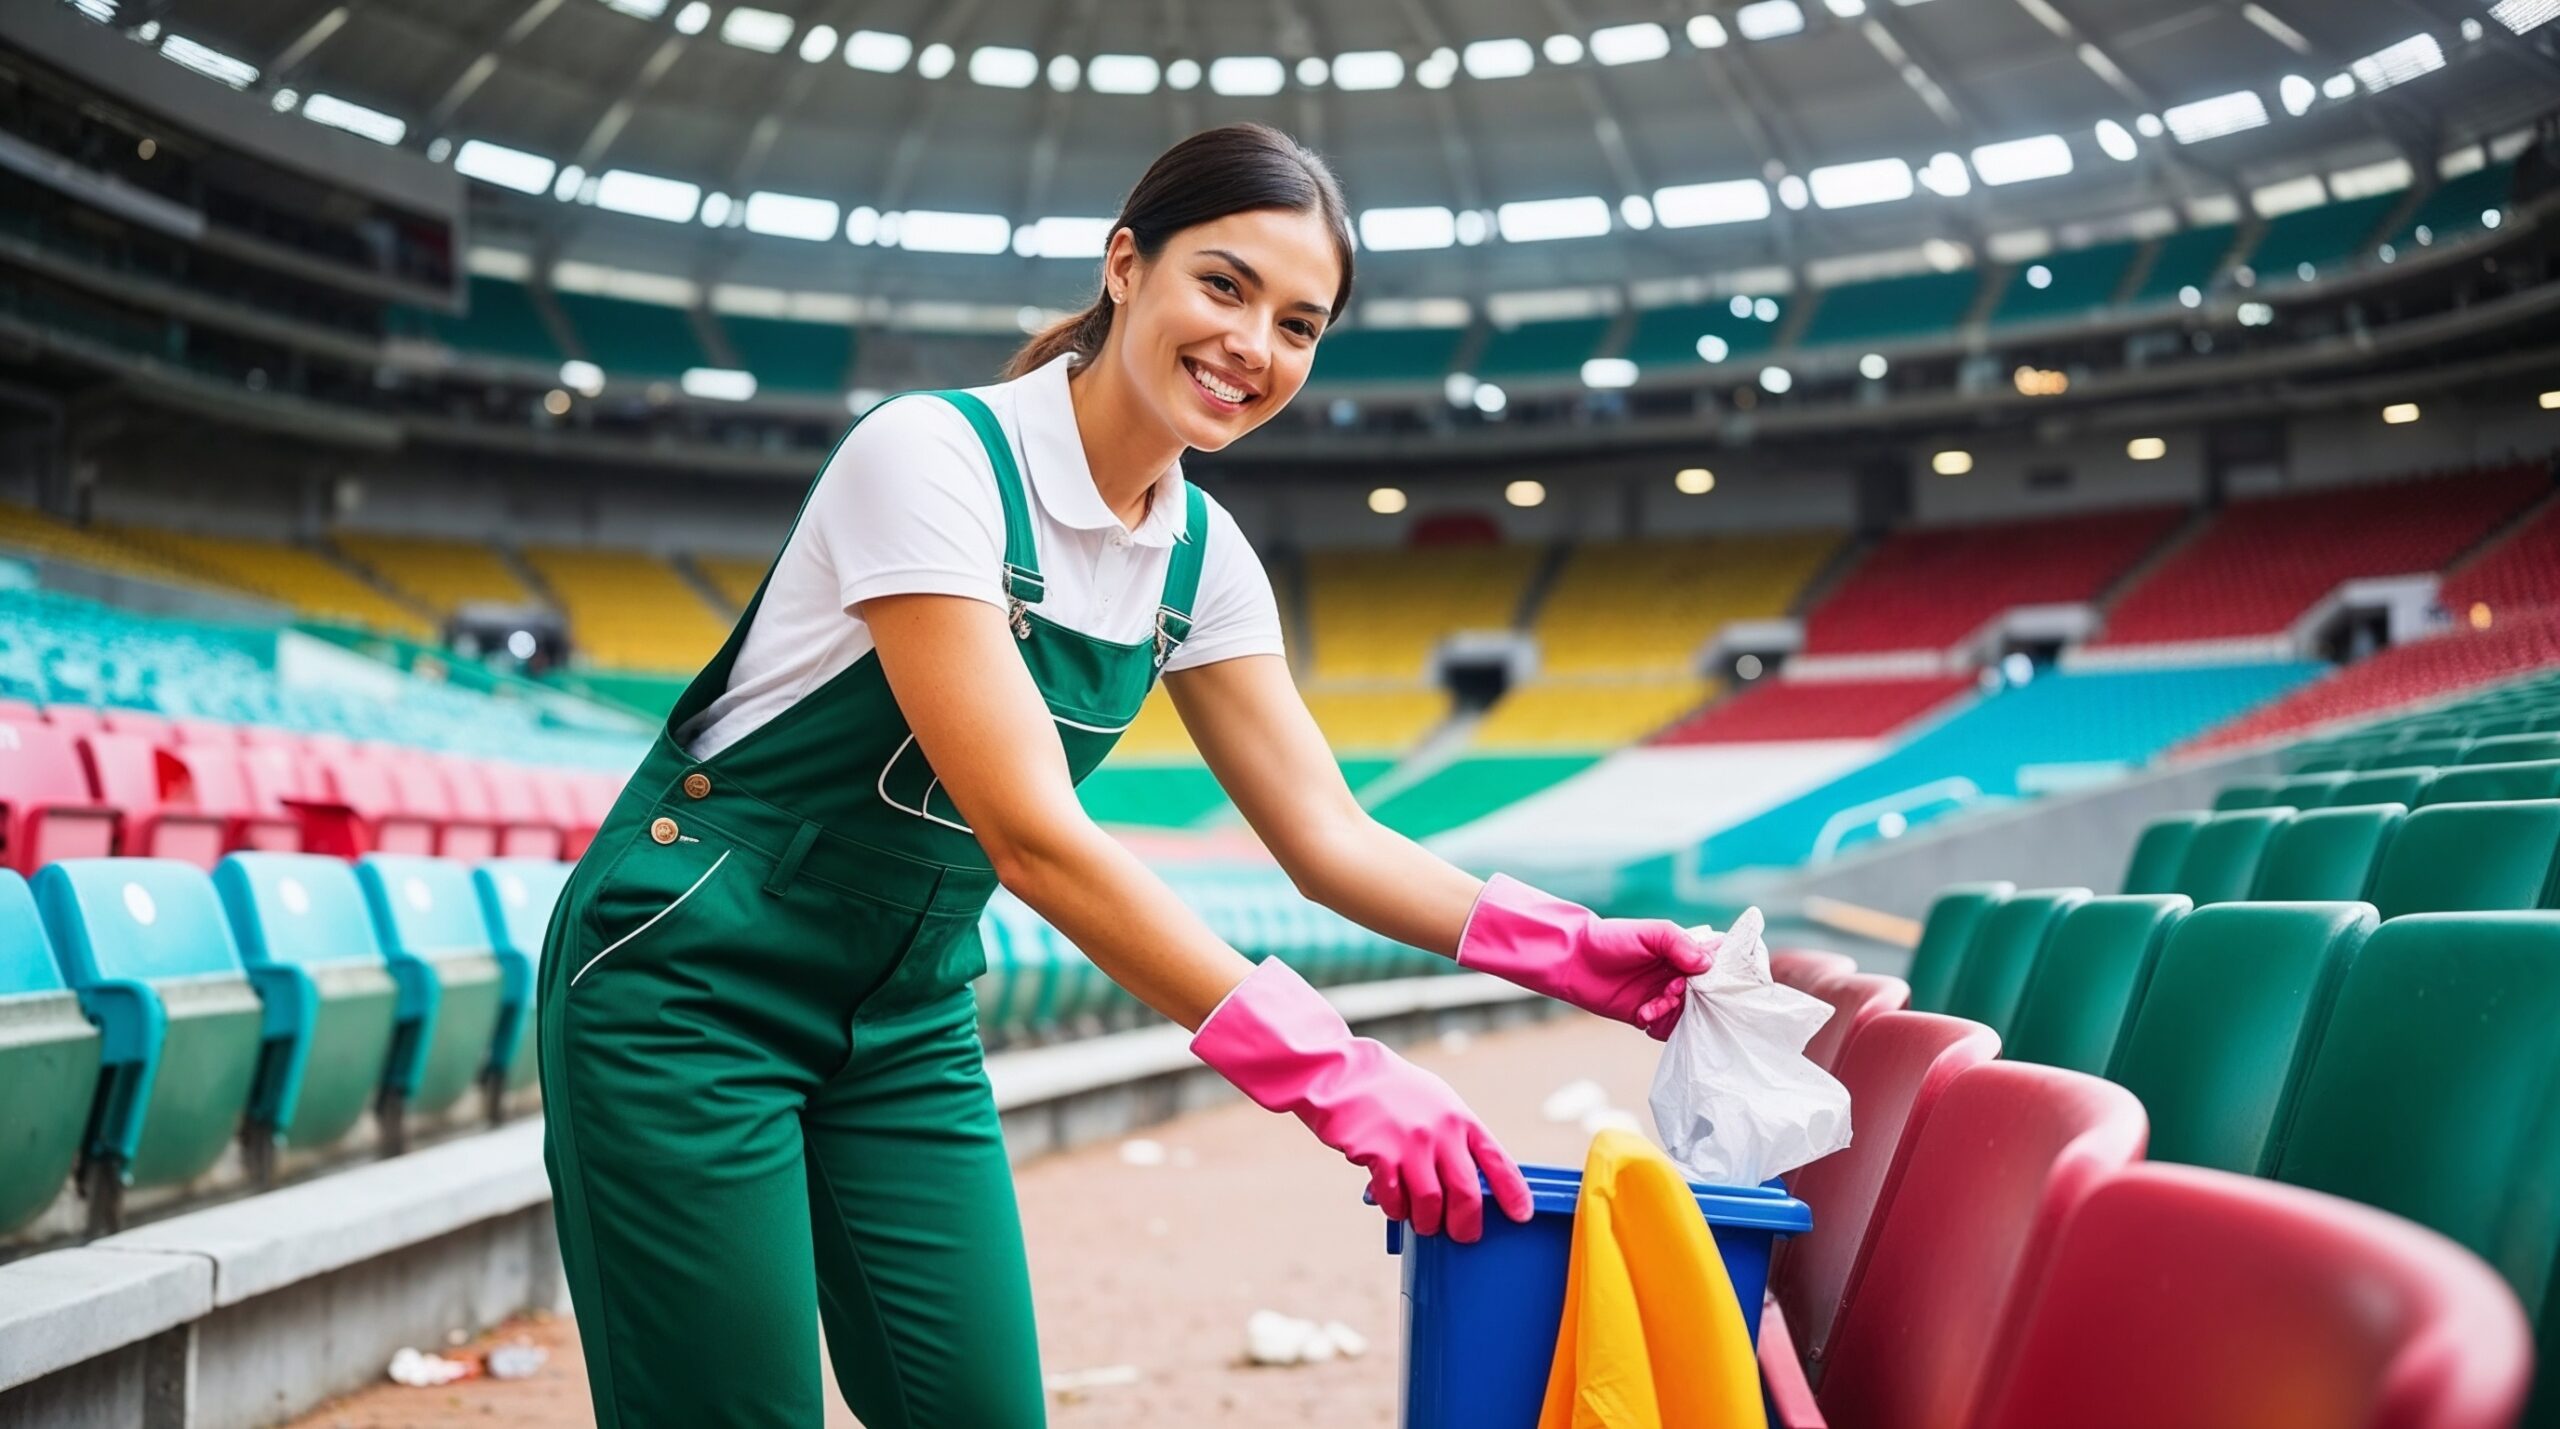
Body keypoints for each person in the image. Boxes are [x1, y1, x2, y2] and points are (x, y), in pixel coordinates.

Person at [535, 121, 1720, 1428]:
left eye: (1299, 322)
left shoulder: (1202, 555)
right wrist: (1329, 1070)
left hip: (906, 1020)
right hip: (690, 980)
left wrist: (1576, 952)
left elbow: (1326, 834)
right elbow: (1031, 835)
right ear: (1124, 268)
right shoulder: (930, 459)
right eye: (1223, 285)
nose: (1252, 345)